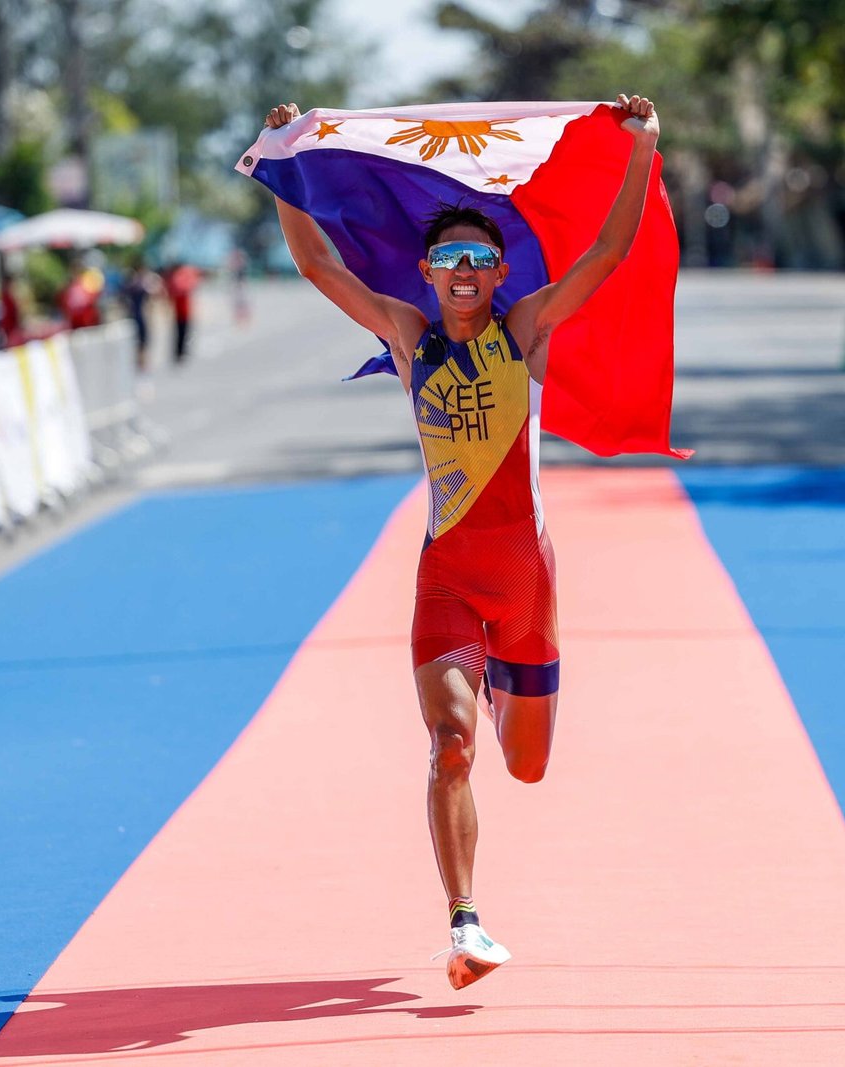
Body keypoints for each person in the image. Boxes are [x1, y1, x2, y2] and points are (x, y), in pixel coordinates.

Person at [263, 93, 661, 989]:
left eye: (481, 256)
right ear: (429, 271)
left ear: (498, 269)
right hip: (445, 576)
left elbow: (606, 254)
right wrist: (287, 161)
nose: (467, 269)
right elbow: (319, 264)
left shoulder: (525, 334)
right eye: (450, 257)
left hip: (527, 586)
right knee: (449, 749)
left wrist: (641, 151)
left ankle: (502, 681)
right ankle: (466, 922)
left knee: (524, 765)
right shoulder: (408, 337)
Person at [163, 260, 201, 362]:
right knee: (180, 333)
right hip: (180, 312)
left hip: (185, 312)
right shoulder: (177, 281)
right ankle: (179, 352)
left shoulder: (180, 280)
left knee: (184, 333)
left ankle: (181, 351)